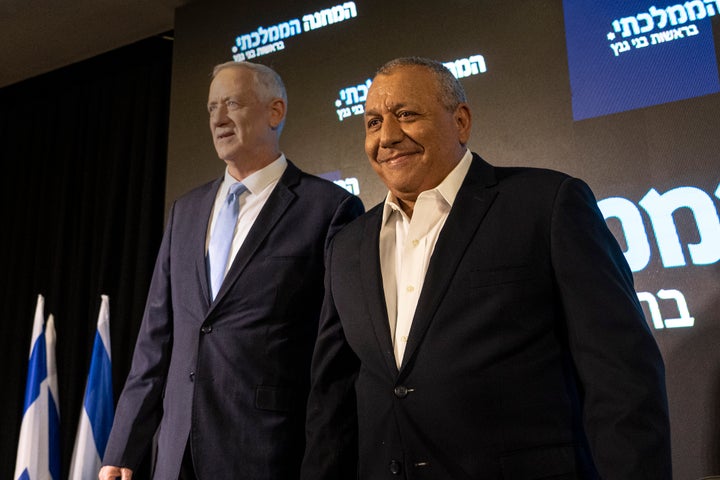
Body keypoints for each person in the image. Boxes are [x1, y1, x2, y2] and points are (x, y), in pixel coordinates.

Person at [301, 57, 671, 479]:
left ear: (460, 121)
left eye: (406, 115)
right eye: (372, 122)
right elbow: (331, 400)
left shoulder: (547, 205)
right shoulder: (347, 245)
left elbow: (622, 377)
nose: (387, 136)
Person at [99, 61, 364, 480]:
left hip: (267, 451)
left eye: (232, 104)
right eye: (211, 108)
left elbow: (333, 357)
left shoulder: (328, 209)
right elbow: (155, 339)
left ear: (275, 112)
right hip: (175, 452)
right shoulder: (185, 212)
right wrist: (123, 446)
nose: (218, 119)